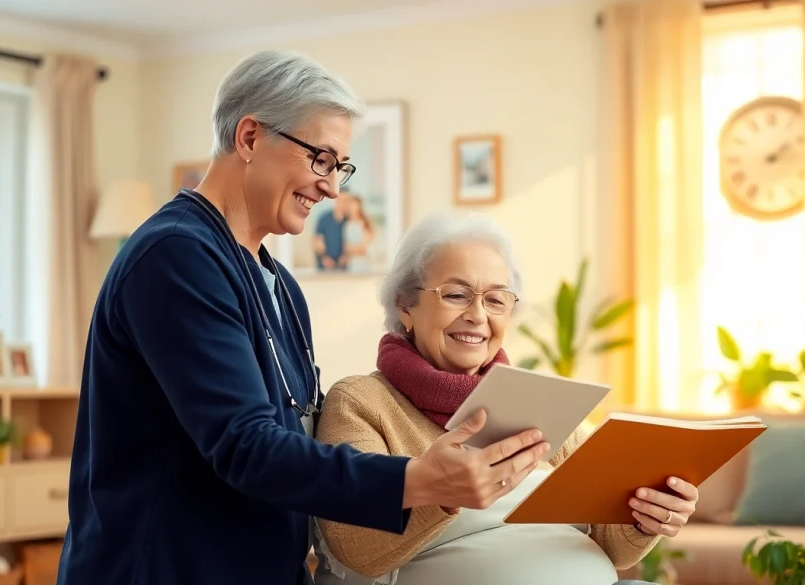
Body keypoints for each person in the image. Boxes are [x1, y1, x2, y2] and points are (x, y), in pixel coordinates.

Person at [55, 51, 550, 585]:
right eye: (321, 158)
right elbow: (246, 445)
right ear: (249, 138)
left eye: (340, 167)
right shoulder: (175, 256)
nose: (333, 188)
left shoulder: (280, 286)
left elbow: (295, 440)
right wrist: (418, 479)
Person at [313, 213, 700, 585]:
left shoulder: (541, 400)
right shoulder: (362, 402)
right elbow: (355, 545)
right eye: (456, 294)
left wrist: (645, 514)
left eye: (496, 300)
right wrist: (441, 491)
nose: (478, 315)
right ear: (404, 305)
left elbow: (614, 548)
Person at [340, 192, 374, 272]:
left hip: (362, 261)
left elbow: (363, 247)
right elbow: (345, 246)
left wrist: (352, 250)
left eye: (355, 205)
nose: (352, 208)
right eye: (351, 205)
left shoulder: (364, 223)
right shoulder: (346, 223)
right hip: (351, 263)